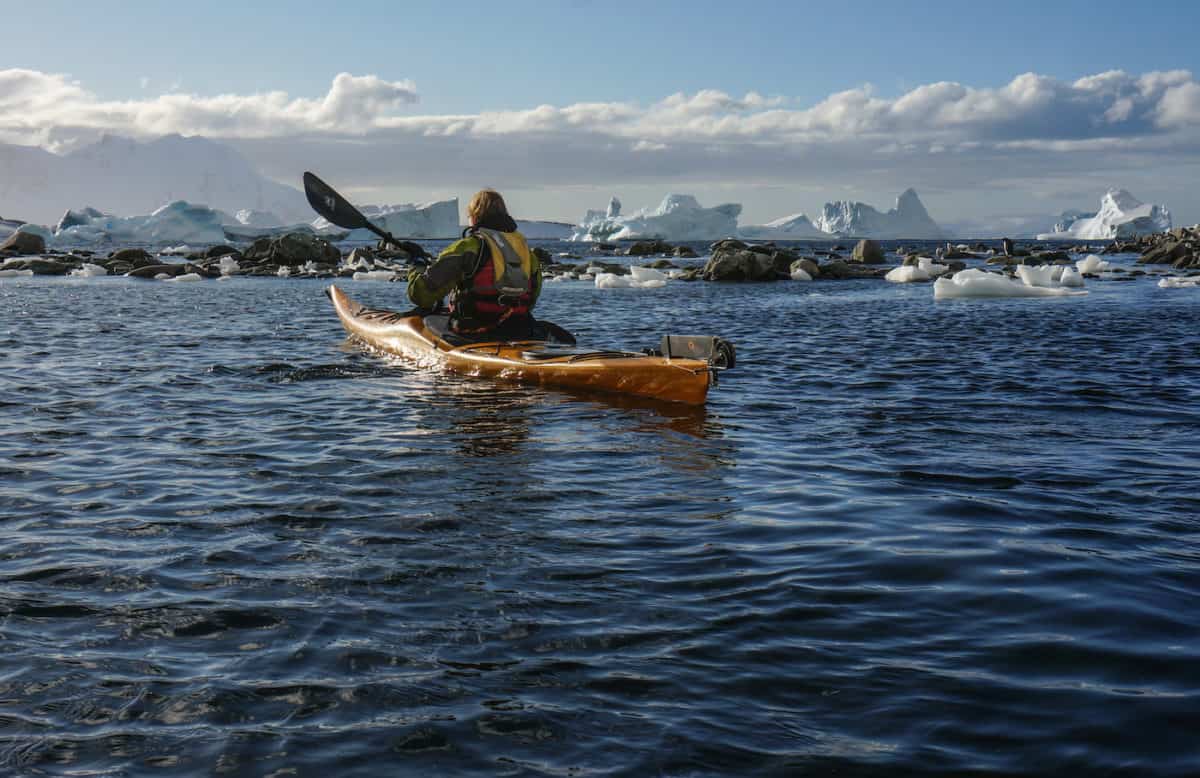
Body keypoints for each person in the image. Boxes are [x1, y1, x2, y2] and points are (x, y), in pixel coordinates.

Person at [407, 189, 542, 336]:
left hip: (473, 330)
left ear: (475, 217)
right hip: (519, 328)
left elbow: (421, 295)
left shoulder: (468, 247)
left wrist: (418, 265)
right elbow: (532, 300)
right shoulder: (527, 253)